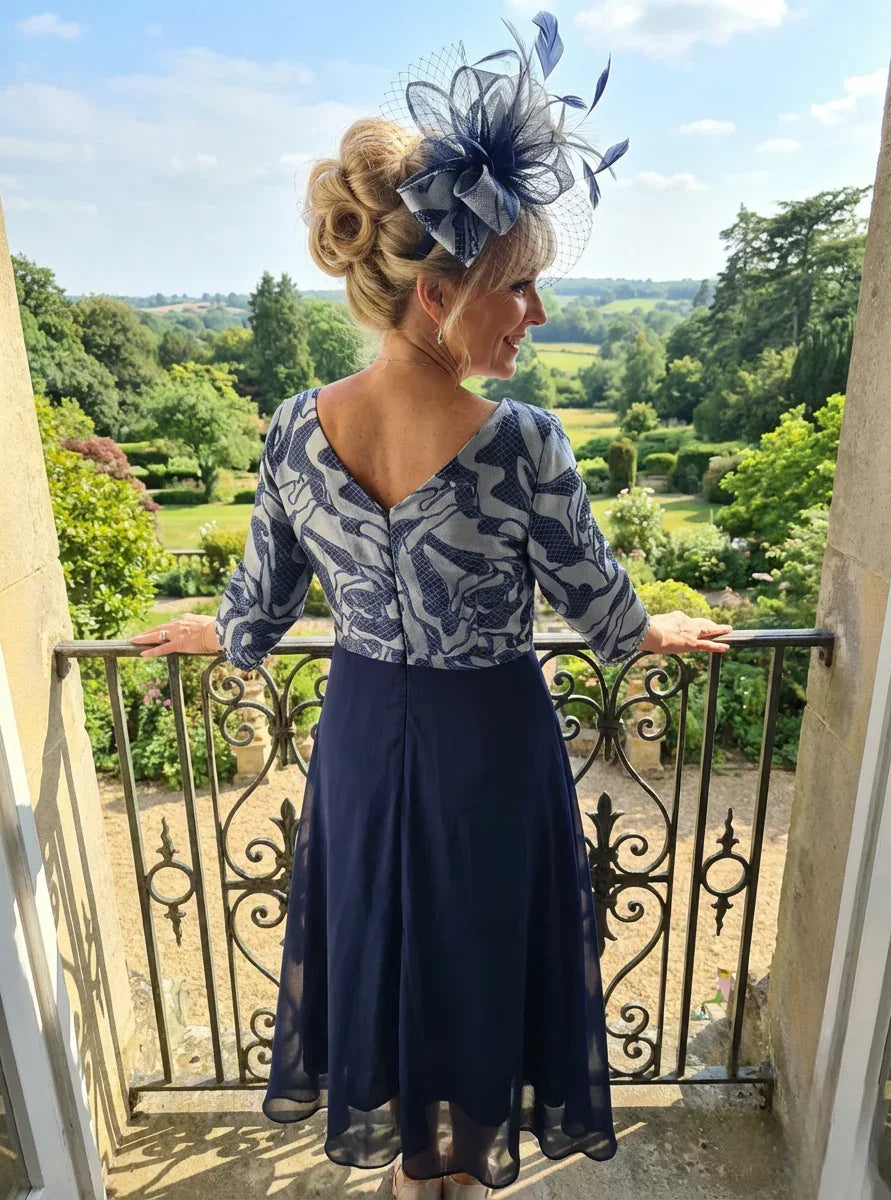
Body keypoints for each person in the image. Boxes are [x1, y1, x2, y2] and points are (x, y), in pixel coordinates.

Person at [131, 13, 732, 1196]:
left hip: (358, 739)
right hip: (488, 751)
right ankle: (450, 1172)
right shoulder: (521, 446)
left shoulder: (298, 426)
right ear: (439, 292)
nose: (535, 317)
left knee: (387, 944)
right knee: (475, 956)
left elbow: (255, 607)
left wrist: (217, 628)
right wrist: (652, 628)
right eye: (520, 288)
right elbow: (607, 622)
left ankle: (417, 1169)